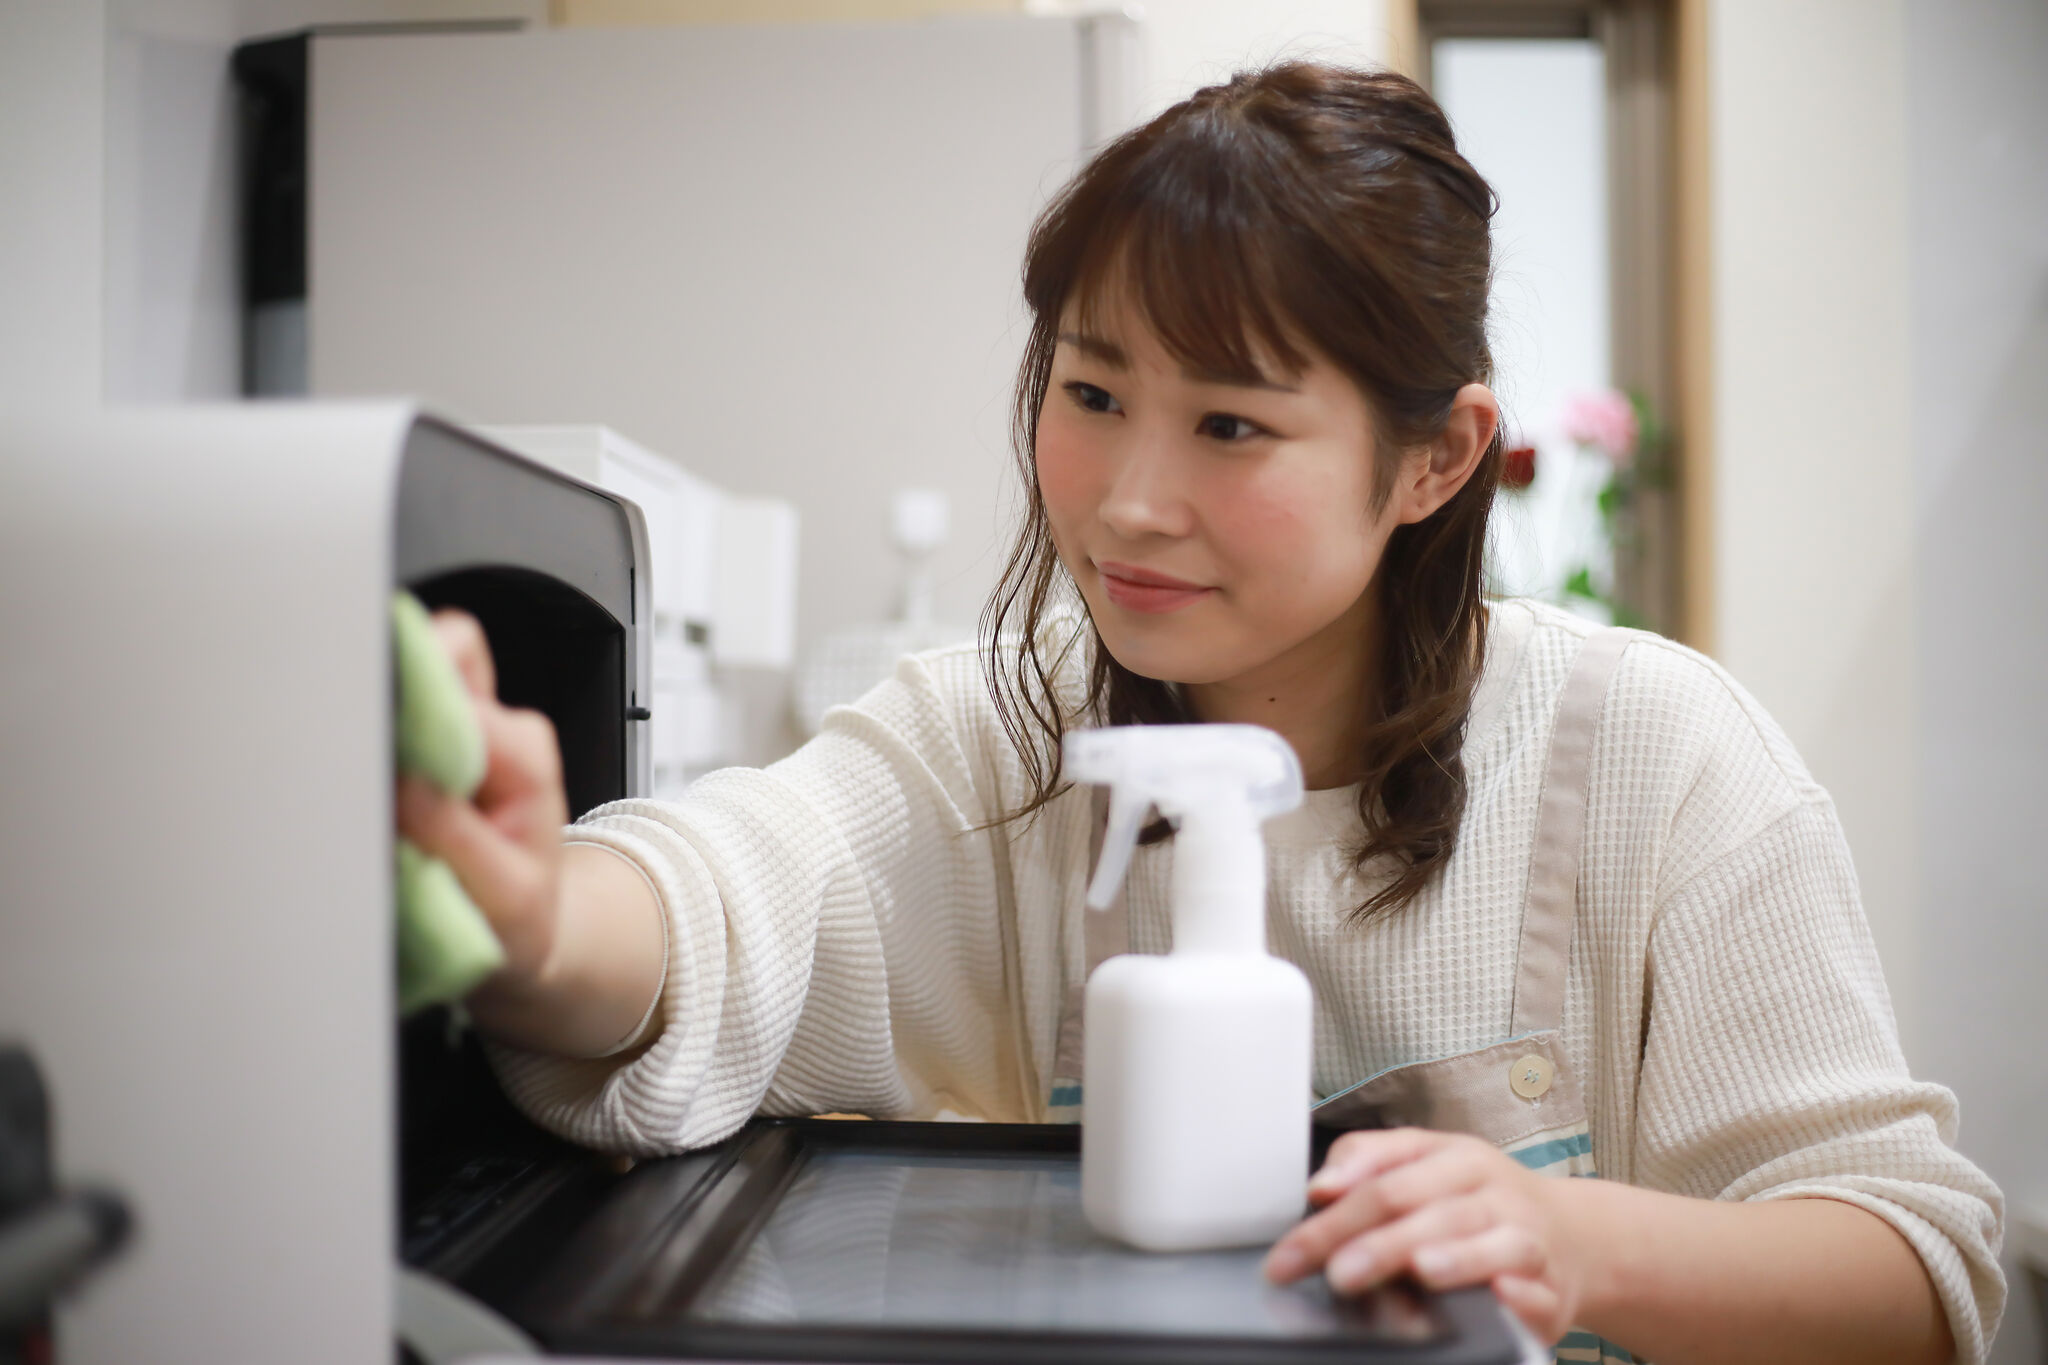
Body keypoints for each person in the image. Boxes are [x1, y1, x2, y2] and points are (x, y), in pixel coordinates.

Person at [397, 63, 2004, 1365]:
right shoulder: (1000, 742)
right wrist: (533, 908)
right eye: (1091, 396)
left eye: (1230, 422)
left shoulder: (1660, 755)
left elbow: (1914, 1278)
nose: (1133, 503)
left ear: (1436, 459)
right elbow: (727, 896)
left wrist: (1571, 1242)